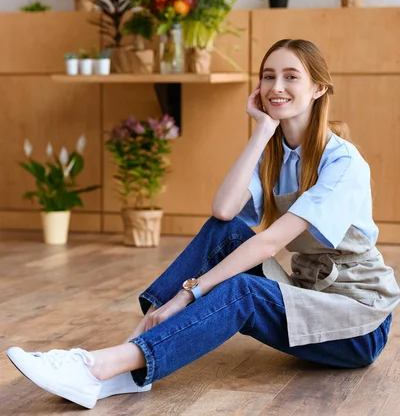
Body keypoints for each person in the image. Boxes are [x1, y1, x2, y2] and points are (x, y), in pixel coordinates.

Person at [7, 38, 400, 410]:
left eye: (291, 76)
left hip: (357, 321)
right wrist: (262, 131)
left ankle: (99, 366)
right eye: (268, 76)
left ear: (317, 88)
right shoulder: (276, 153)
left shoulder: (343, 163)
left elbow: (267, 244)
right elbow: (225, 211)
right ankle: (128, 356)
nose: (275, 86)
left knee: (242, 290)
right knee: (223, 233)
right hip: (307, 294)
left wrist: (187, 294)